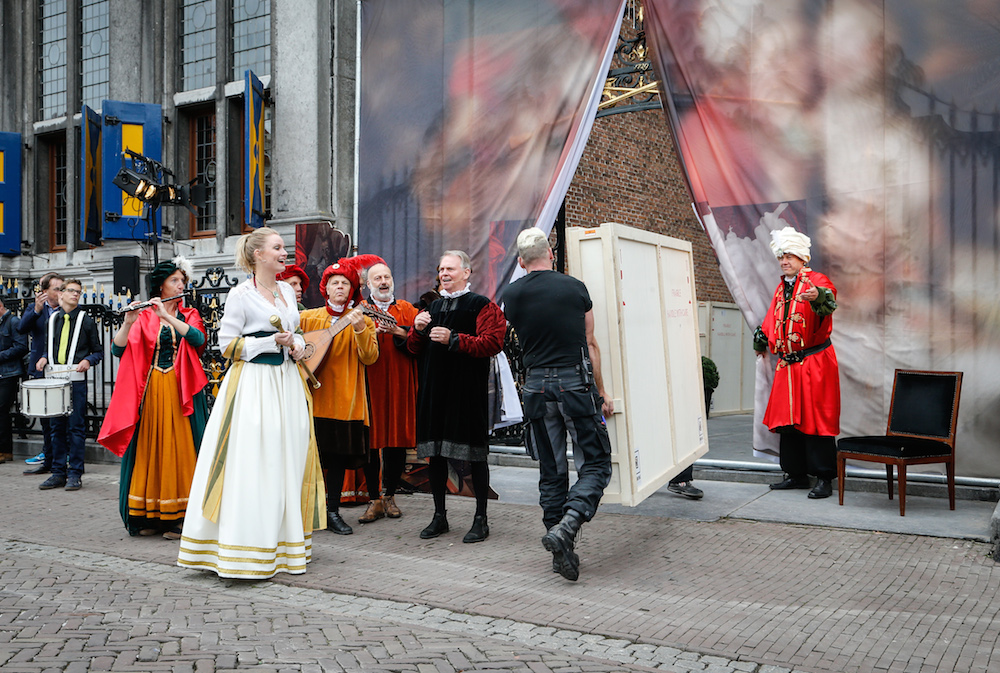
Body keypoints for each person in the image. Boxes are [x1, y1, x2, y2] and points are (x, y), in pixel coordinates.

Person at [177, 227, 326, 579]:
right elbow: (227, 345)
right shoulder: (240, 294)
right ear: (258, 254)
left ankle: (283, 546)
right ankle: (242, 548)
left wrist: (298, 345)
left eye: (283, 247)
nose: (283, 252)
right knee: (255, 459)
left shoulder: (288, 290)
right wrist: (269, 342)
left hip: (287, 383)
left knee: (287, 456)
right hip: (254, 386)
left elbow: (299, 333)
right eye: (277, 247)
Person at [502, 228, 613, 581]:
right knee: (596, 464)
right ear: (550, 253)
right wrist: (601, 391)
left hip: (536, 388)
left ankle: (560, 549)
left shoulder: (511, 294)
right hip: (574, 385)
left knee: (551, 471)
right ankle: (567, 526)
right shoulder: (574, 288)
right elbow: (591, 343)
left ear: (521, 261)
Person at [98, 257, 209, 539]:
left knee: (180, 447)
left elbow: (198, 340)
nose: (180, 285)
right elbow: (118, 350)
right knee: (151, 448)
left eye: (182, 281)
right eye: (175, 281)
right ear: (161, 285)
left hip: (179, 388)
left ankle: (181, 517)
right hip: (149, 391)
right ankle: (146, 515)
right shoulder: (143, 315)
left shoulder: (188, 313)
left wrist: (167, 316)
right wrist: (128, 322)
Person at [406, 250, 506, 543]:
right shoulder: (431, 307)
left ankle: (481, 519)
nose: (444, 274)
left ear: (466, 272)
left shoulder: (481, 305)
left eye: (450, 269)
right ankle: (439, 516)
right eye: (441, 270)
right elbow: (413, 350)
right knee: (435, 455)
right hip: (435, 391)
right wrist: (417, 329)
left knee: (475, 455)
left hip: (466, 392)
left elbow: (493, 342)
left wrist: (455, 340)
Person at [754, 227, 840, 499]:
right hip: (788, 367)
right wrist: (762, 337)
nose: (784, 261)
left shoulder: (817, 280)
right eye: (781, 257)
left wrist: (819, 298)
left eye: (789, 256)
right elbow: (772, 320)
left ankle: (824, 477)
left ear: (802, 257)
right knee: (787, 423)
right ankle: (797, 474)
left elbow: (829, 301)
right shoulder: (783, 287)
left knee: (817, 421)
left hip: (814, 363)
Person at [299, 254, 382, 535]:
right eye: (334, 282)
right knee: (308, 460)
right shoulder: (308, 319)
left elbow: (370, 357)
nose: (339, 287)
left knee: (334, 461)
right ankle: (306, 512)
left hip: (344, 402)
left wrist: (359, 327)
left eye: (345, 283)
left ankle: (332, 512)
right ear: (326, 287)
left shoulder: (363, 321)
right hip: (311, 401)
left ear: (353, 289)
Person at [358, 262, 419, 523]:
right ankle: (374, 500)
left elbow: (420, 341)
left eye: (387, 277)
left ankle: (390, 495)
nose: (383, 281)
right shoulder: (360, 311)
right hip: (370, 382)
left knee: (394, 440)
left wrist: (396, 330)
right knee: (371, 440)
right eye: (377, 278)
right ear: (367, 284)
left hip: (398, 380)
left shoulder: (407, 310)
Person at [36, 279, 103, 492]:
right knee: (56, 428)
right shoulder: (53, 319)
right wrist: (44, 357)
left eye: (78, 292)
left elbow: (98, 351)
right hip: (55, 380)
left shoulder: (86, 321)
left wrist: (88, 361)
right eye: (71, 291)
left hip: (76, 382)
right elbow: (51, 347)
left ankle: (75, 473)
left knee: (76, 428)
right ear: (61, 294)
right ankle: (58, 473)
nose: (75, 294)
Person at [18, 272, 64, 472]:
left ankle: (62, 457)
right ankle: (48, 456)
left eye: (63, 288)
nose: (61, 292)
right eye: (57, 288)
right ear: (45, 292)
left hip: (60, 368)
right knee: (45, 417)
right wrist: (36, 309)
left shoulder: (67, 309)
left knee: (61, 415)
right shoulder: (34, 308)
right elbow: (21, 328)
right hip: (39, 368)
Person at [0, 297, 29, 464]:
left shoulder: (13, 321)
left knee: (2, 410)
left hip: (9, 373)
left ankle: (5, 451)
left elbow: (21, 347)